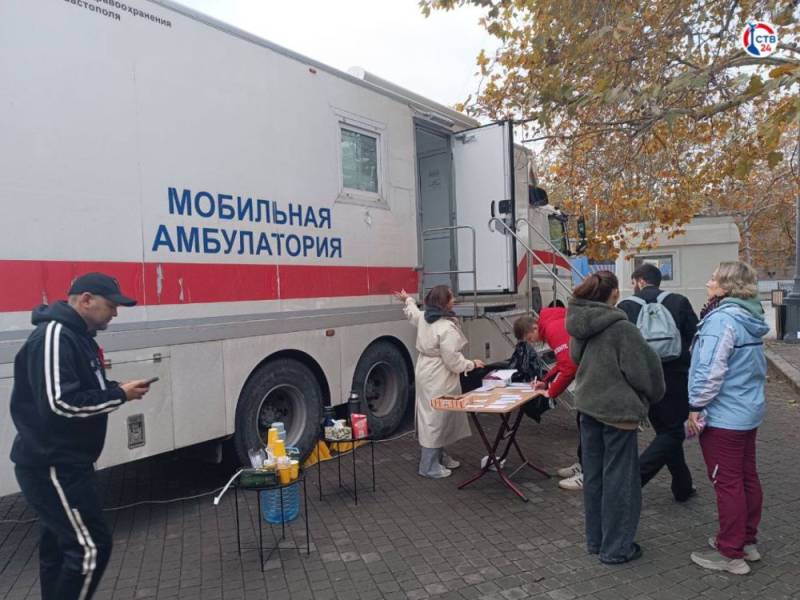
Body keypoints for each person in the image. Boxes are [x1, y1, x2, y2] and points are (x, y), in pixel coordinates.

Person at [10, 273, 154, 600]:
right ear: (86, 299)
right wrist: (118, 396)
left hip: (65, 463)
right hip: (54, 466)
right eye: (111, 306)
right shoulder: (54, 336)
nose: (115, 314)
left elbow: (82, 390)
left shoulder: (79, 336)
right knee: (91, 549)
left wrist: (118, 389)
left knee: (59, 551)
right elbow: (60, 404)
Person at [566, 271, 665, 564]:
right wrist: (654, 395)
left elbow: (575, 359)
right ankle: (616, 548)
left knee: (594, 478)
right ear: (615, 293)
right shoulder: (622, 328)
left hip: (588, 407)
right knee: (620, 481)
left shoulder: (577, 323)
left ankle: (596, 541)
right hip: (617, 412)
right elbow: (646, 373)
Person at [686, 261, 769, 576]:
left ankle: (730, 552)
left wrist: (695, 406)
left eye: (712, 278)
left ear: (725, 287)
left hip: (724, 416)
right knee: (746, 477)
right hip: (747, 411)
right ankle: (746, 541)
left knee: (727, 482)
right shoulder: (750, 315)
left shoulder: (722, 319)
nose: (708, 283)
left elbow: (709, 370)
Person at [618, 263, 698, 502]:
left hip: (643, 378)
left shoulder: (627, 306)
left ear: (640, 281)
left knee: (667, 431)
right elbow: (695, 338)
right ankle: (636, 479)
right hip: (676, 377)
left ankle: (683, 486)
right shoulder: (679, 302)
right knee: (672, 431)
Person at [395, 286, 484, 479]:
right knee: (436, 419)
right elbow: (453, 361)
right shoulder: (445, 327)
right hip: (439, 375)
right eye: (451, 297)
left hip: (426, 370)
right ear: (444, 303)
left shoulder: (426, 318)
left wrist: (407, 300)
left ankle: (439, 457)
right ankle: (428, 466)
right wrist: (472, 364)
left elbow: (413, 314)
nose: (454, 299)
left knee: (436, 416)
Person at [513, 312, 582, 490]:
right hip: (588, 376)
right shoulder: (552, 326)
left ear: (534, 328)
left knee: (586, 424)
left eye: (530, 338)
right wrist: (546, 381)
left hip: (592, 379)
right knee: (582, 422)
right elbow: (562, 362)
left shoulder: (552, 330)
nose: (533, 343)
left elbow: (569, 367)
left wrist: (551, 392)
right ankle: (583, 464)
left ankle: (587, 473)